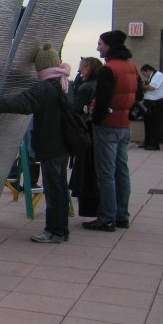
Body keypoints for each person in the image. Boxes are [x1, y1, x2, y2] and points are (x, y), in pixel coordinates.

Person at [0, 43, 72, 243]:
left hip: (51, 144)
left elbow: (24, 102)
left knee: (53, 189)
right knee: (60, 187)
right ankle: (61, 230)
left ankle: (54, 231)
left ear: (40, 66)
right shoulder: (64, 83)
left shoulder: (46, 87)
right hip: (64, 143)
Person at [84, 30, 138, 232]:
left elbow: (103, 100)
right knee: (121, 171)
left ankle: (107, 218)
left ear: (109, 45)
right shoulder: (131, 66)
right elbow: (139, 95)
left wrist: (94, 120)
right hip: (124, 125)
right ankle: (122, 216)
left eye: (100, 44)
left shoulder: (108, 69)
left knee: (106, 174)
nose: (98, 47)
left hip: (107, 126)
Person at [70, 57, 102, 217]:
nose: (81, 69)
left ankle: (88, 207)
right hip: (95, 131)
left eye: (85, 67)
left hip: (85, 131)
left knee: (84, 171)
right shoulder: (98, 84)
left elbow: (74, 109)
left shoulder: (86, 87)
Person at [139, 64, 163, 150]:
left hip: (156, 103)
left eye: (144, 73)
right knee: (147, 123)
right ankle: (147, 142)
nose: (144, 76)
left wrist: (140, 86)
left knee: (154, 124)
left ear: (147, 70)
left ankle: (154, 144)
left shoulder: (158, 75)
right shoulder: (152, 77)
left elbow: (151, 87)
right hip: (149, 102)